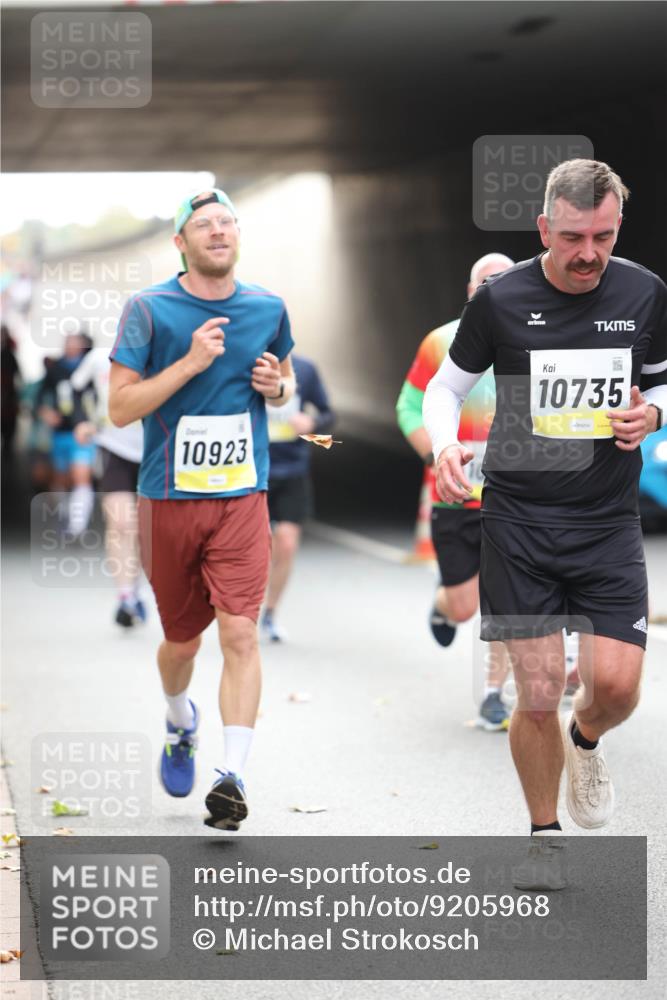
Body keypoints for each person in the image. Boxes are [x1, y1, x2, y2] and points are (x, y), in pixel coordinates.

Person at [423, 159, 667, 888]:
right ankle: (542, 837)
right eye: (570, 237)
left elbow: (661, 383)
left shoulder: (643, 291)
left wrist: (651, 413)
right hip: (519, 521)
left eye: (601, 235)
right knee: (533, 692)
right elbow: (445, 386)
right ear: (542, 229)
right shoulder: (499, 300)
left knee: (617, 690)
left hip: (605, 521)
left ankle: (584, 738)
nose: (587, 252)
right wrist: (443, 447)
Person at [108, 188, 296, 831]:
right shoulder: (150, 310)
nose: (217, 232)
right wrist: (188, 363)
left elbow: (284, 381)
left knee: (240, 631)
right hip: (168, 500)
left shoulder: (268, 307)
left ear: (237, 236)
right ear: (180, 243)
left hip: (242, 497)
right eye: (203, 225)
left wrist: (278, 388)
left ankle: (232, 776)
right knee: (180, 644)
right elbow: (121, 408)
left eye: (226, 222)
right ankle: (178, 717)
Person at [396, 254, 515, 731]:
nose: (495, 288)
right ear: (470, 290)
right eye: (486, 282)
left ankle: (492, 693)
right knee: (465, 604)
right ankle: (443, 602)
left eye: (504, 280)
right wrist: (433, 450)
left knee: (505, 600)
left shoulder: (539, 339)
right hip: (456, 496)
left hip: (513, 500)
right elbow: (409, 403)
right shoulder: (442, 341)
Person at [261, 353, 335, 642]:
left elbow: (329, 414)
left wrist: (312, 423)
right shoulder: (249, 365)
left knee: (287, 545)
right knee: (259, 545)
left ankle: (270, 613)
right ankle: (243, 610)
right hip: (254, 470)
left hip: (293, 470)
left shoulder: (304, 368)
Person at [71, 347, 146, 627]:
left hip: (154, 450)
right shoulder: (99, 357)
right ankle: (125, 596)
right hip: (112, 446)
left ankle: (136, 588)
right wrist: (81, 422)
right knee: (121, 523)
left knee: (142, 529)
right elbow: (75, 390)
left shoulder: (164, 354)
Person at [35, 331, 96, 537]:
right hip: (60, 432)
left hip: (83, 432)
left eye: (74, 342)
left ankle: (77, 525)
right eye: (67, 342)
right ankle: (64, 514)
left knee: (81, 476)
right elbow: (39, 398)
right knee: (61, 478)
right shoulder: (56, 369)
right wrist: (46, 413)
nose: (70, 346)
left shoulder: (92, 366)